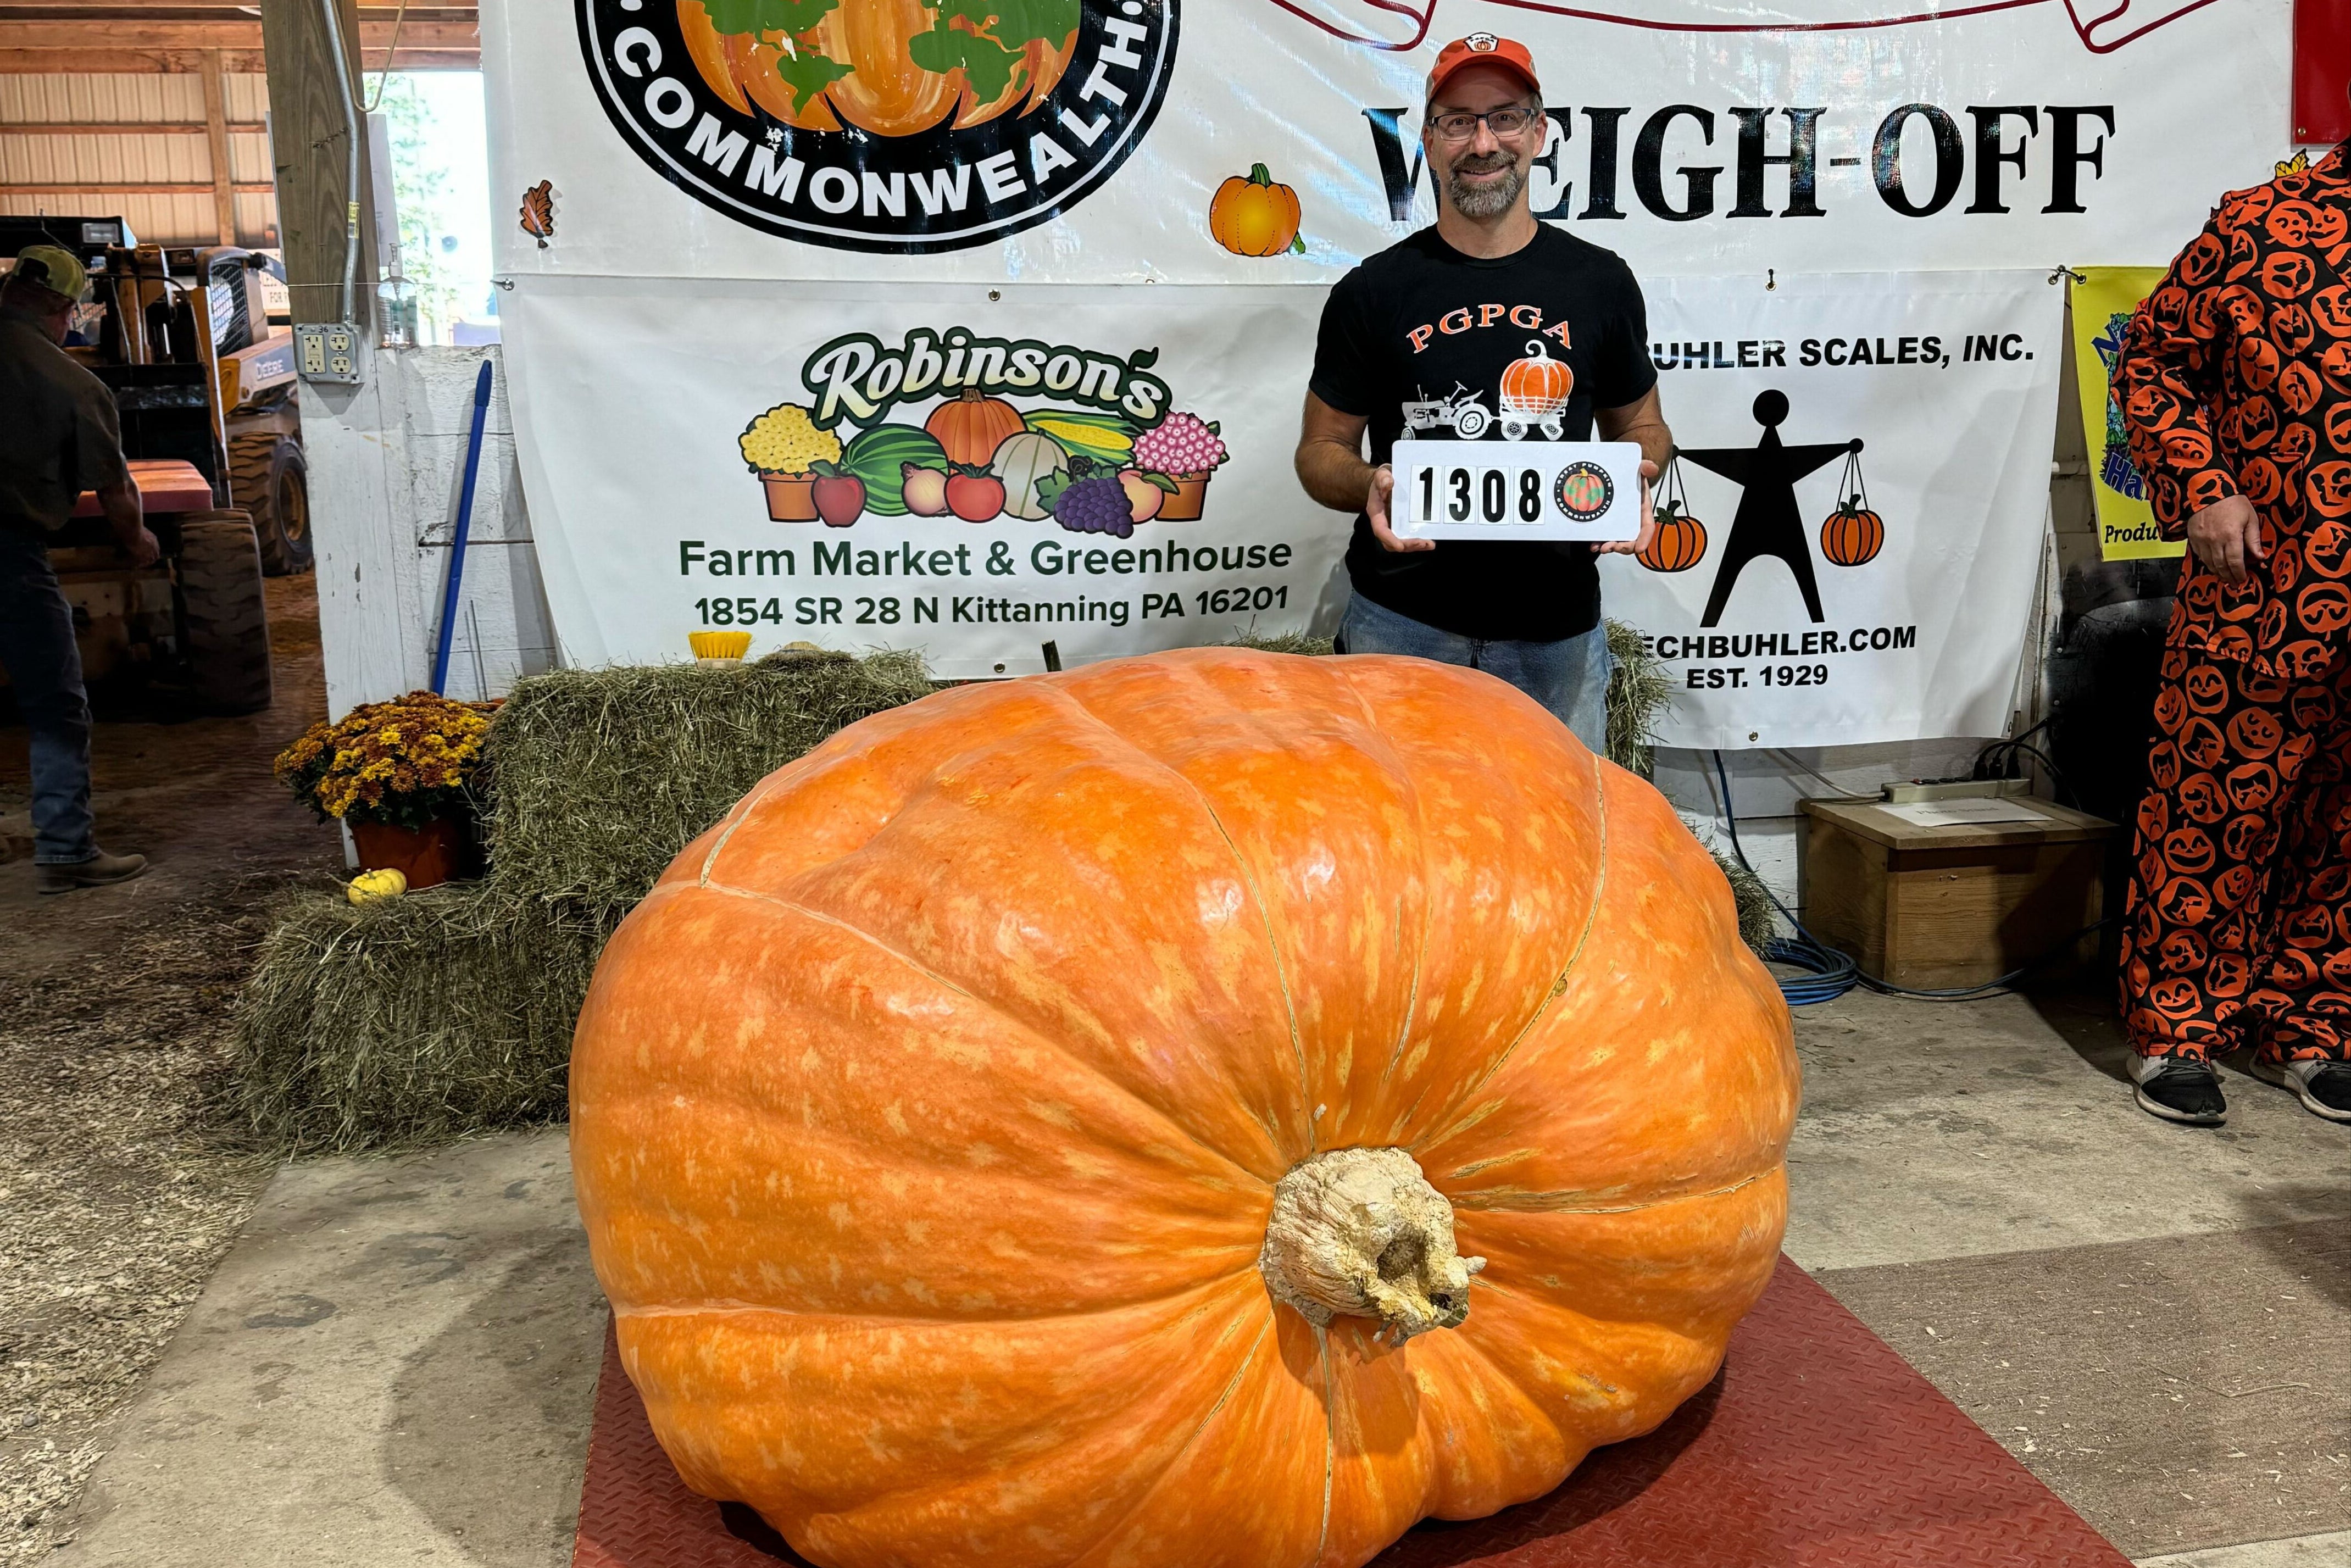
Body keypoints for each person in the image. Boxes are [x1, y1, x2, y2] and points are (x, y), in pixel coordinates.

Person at [1294, 33, 1668, 758]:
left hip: (1555, 630)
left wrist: (1631, 477)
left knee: (1561, 841)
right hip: (1400, 625)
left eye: (1503, 117)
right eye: (1457, 121)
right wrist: (1369, 483)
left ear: (1538, 132)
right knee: (1399, 844)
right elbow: (1318, 451)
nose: (1482, 142)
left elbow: (1644, 424)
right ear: (1428, 142)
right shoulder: (1371, 291)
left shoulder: (1598, 282)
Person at [2111, 152, 2351, 1125]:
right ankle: (2178, 1025)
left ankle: (2313, 1021)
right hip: (2264, 581)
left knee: (2341, 824)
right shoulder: (2262, 221)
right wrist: (2202, 487)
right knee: (2210, 810)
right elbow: (2149, 361)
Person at [1, 244, 154, 892]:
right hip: (8, 554)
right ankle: (66, 847)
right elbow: (116, 491)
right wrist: (139, 542)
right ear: (65, 309)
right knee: (56, 702)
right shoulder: (74, 385)